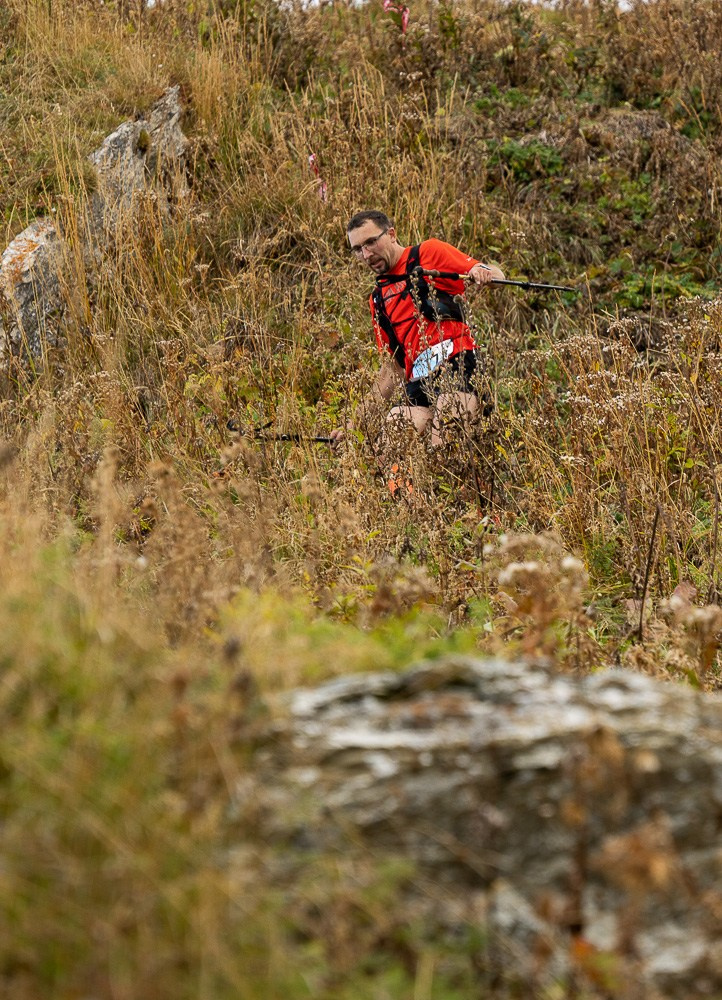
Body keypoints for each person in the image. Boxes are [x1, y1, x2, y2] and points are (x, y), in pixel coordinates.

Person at [331, 210, 504, 455]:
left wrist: (482, 272)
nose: (367, 254)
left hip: (458, 367)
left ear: (391, 234)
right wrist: (353, 424)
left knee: (445, 441)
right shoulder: (378, 299)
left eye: (371, 242)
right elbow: (392, 371)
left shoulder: (428, 253)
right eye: (358, 249)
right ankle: (401, 493)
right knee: (394, 433)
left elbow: (495, 275)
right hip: (418, 384)